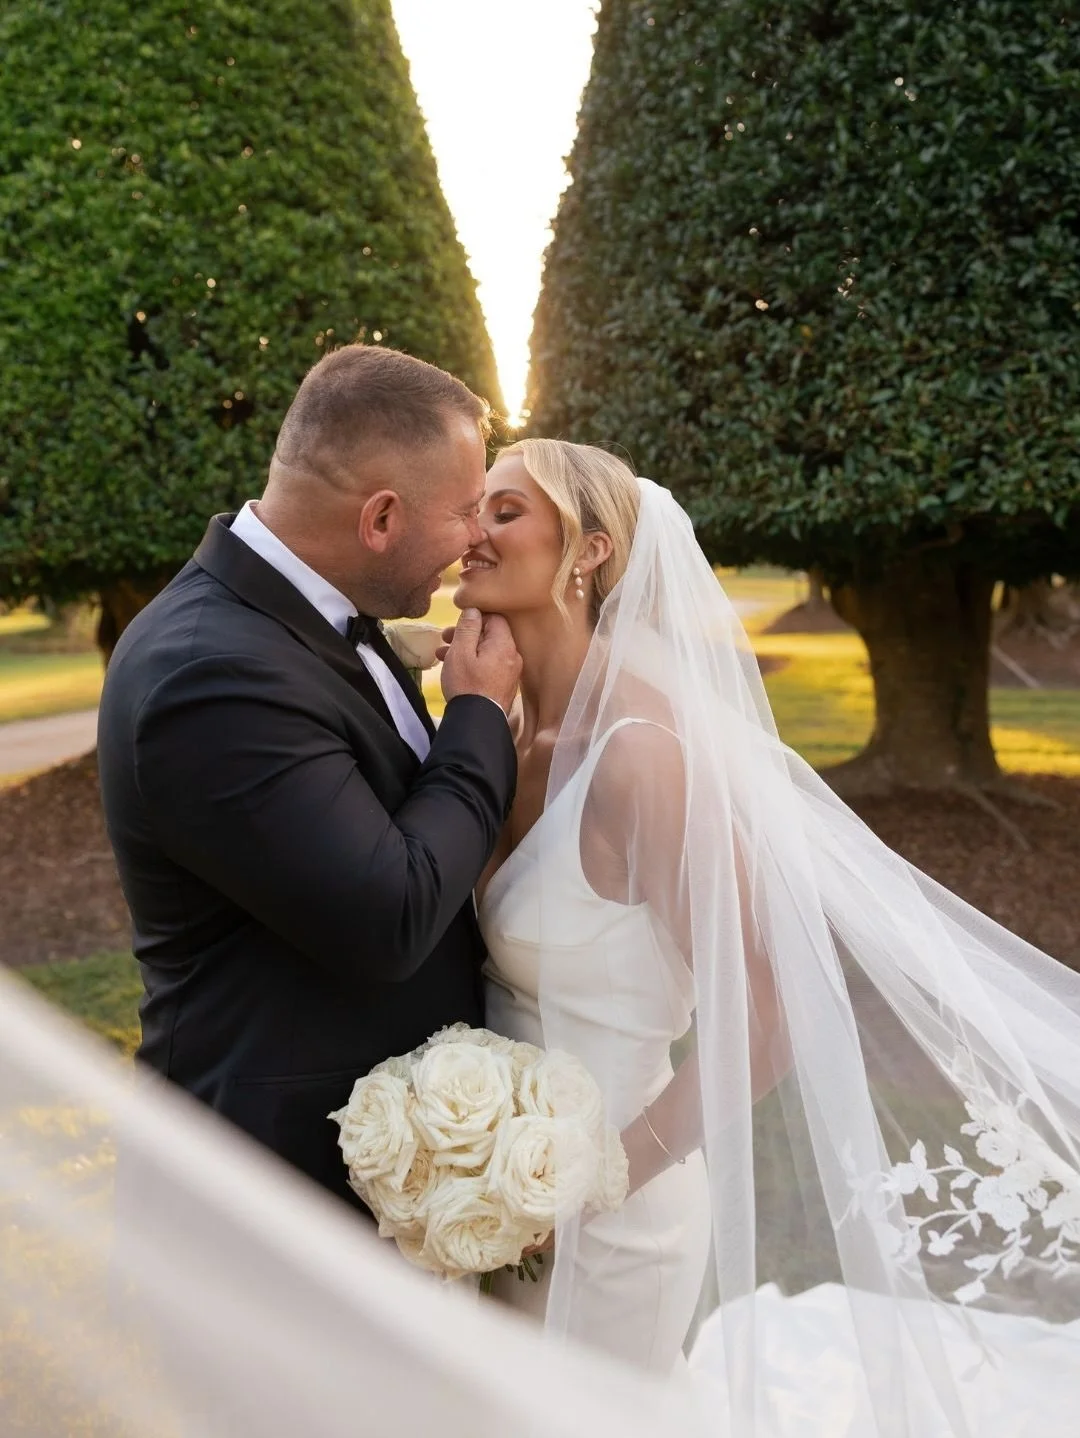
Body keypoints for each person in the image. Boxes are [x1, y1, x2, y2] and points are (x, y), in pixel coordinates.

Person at [460, 437, 1080, 1434]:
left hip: (618, 1211)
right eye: (473, 510)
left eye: (504, 511)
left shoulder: (643, 757)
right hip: (485, 1196)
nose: (471, 535)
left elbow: (772, 1003)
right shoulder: (492, 726)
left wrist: (603, 1176)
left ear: (590, 549)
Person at [97, 344, 519, 1209]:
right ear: (381, 519)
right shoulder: (209, 674)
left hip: (365, 1186)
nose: (477, 538)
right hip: (265, 1206)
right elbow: (391, 914)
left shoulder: (317, 620)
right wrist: (476, 717)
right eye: (466, 512)